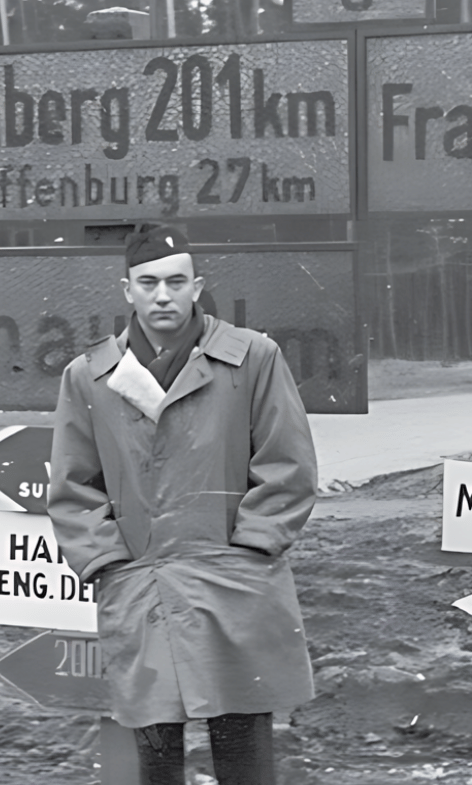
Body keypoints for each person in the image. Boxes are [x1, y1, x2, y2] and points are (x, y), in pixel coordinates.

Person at [47, 223, 318, 785]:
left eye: (176, 281)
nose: (162, 294)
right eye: (148, 282)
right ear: (127, 290)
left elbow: (286, 464)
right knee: (156, 749)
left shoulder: (253, 359)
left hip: (233, 584)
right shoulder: (90, 376)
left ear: (198, 286)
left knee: (242, 741)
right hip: (142, 586)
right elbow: (74, 486)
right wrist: (109, 565)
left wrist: (250, 550)